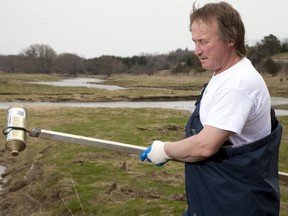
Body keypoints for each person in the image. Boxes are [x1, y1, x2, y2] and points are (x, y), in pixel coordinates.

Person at [140, 2, 282, 216]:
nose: (197, 50)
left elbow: (205, 146)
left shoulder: (238, 84)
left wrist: (164, 150)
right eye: (195, 42)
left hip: (237, 205)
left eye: (204, 42)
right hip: (213, 200)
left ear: (231, 39)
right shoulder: (224, 74)